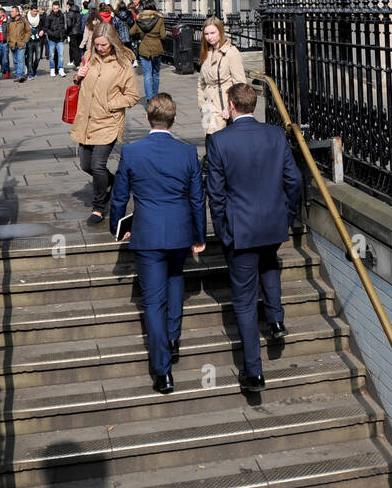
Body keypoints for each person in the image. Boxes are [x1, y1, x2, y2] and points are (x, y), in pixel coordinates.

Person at [206, 82, 302, 391]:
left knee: (245, 303)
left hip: (241, 229)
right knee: (269, 263)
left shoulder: (219, 142)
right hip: (272, 224)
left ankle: (254, 371)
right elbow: (294, 181)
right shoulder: (275, 135)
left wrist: (223, 230)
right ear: (254, 105)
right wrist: (286, 215)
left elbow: (216, 194)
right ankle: (275, 319)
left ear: (231, 107)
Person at [109, 93, 205, 393]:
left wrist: (117, 227)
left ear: (148, 118)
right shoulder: (187, 153)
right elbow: (197, 199)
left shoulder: (133, 152)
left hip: (148, 233)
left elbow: (119, 196)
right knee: (176, 279)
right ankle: (174, 336)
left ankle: (162, 372)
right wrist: (199, 235)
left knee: (152, 301)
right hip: (179, 231)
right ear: (173, 119)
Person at [70, 22, 140, 224]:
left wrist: (111, 104)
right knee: (85, 165)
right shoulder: (90, 57)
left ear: (112, 42)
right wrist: (78, 77)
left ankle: (98, 208)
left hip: (108, 120)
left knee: (98, 165)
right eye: (97, 44)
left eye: (103, 45)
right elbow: (82, 83)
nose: (99, 48)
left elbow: (132, 96)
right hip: (87, 119)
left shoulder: (123, 64)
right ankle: (114, 182)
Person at [197, 17, 246, 134]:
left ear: (220, 31)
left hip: (224, 105)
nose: (209, 37)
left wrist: (231, 108)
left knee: (221, 142)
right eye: (206, 34)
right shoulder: (207, 52)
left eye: (213, 33)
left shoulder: (231, 53)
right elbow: (201, 82)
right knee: (209, 138)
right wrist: (202, 105)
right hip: (208, 106)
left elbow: (240, 84)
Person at [131, 0, 166, 100]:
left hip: (144, 49)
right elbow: (163, 36)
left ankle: (149, 98)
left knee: (147, 75)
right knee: (155, 73)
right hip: (157, 48)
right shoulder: (159, 19)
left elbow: (131, 32)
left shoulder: (139, 18)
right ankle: (155, 96)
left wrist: (140, 36)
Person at [6, 5, 31, 82]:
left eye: (13, 11)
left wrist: (25, 41)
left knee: (20, 60)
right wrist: (8, 41)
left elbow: (28, 31)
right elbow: (7, 32)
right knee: (15, 60)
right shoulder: (9, 21)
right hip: (12, 44)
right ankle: (17, 75)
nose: (11, 13)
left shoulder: (23, 20)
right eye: (11, 11)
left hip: (21, 43)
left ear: (17, 12)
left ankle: (20, 76)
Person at [45, 0, 68, 77]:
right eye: (54, 8)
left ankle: (61, 69)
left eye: (57, 8)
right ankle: (52, 69)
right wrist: (52, 34)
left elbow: (64, 26)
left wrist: (64, 34)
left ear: (59, 8)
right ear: (52, 8)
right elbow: (46, 28)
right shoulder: (49, 17)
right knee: (51, 55)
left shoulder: (62, 16)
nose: (55, 10)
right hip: (52, 39)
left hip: (60, 39)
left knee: (61, 55)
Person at [25, 0, 45, 78]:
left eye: (36, 11)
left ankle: (34, 69)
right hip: (29, 41)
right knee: (29, 57)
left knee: (38, 57)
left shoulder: (40, 17)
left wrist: (43, 30)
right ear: (30, 10)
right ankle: (30, 73)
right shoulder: (26, 18)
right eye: (34, 11)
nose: (35, 13)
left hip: (38, 41)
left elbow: (45, 26)